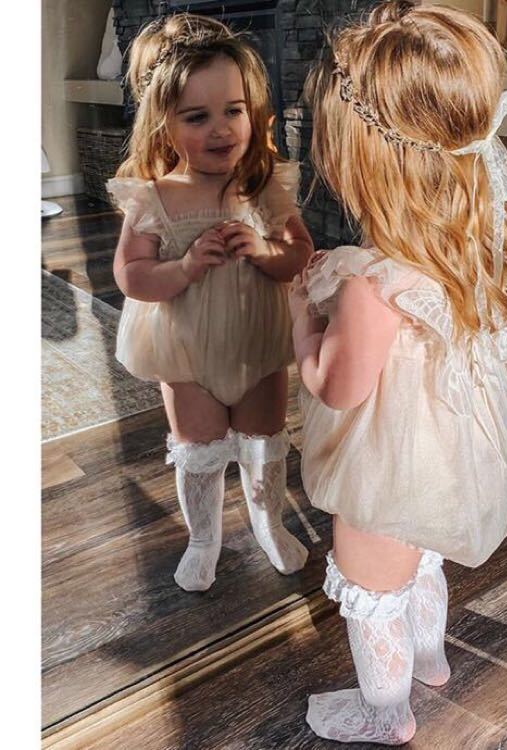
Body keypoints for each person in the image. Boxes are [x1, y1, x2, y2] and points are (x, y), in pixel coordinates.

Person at [290, 1, 507, 743]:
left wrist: (301, 318)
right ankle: (431, 659)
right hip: (448, 451)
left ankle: (385, 711)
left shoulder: (372, 286)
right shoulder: (473, 241)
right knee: (422, 561)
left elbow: (336, 386)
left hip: (384, 468)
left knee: (371, 587)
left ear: (364, 164)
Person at [108, 13, 313, 592]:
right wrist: (184, 267)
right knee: (197, 449)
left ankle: (268, 521)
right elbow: (130, 275)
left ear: (253, 111)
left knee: (263, 442)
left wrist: (265, 250)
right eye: (197, 117)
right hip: (186, 350)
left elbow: (299, 254)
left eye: (234, 110)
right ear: (164, 126)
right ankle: (203, 537)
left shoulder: (263, 187)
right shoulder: (154, 198)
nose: (221, 129)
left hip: (256, 342)